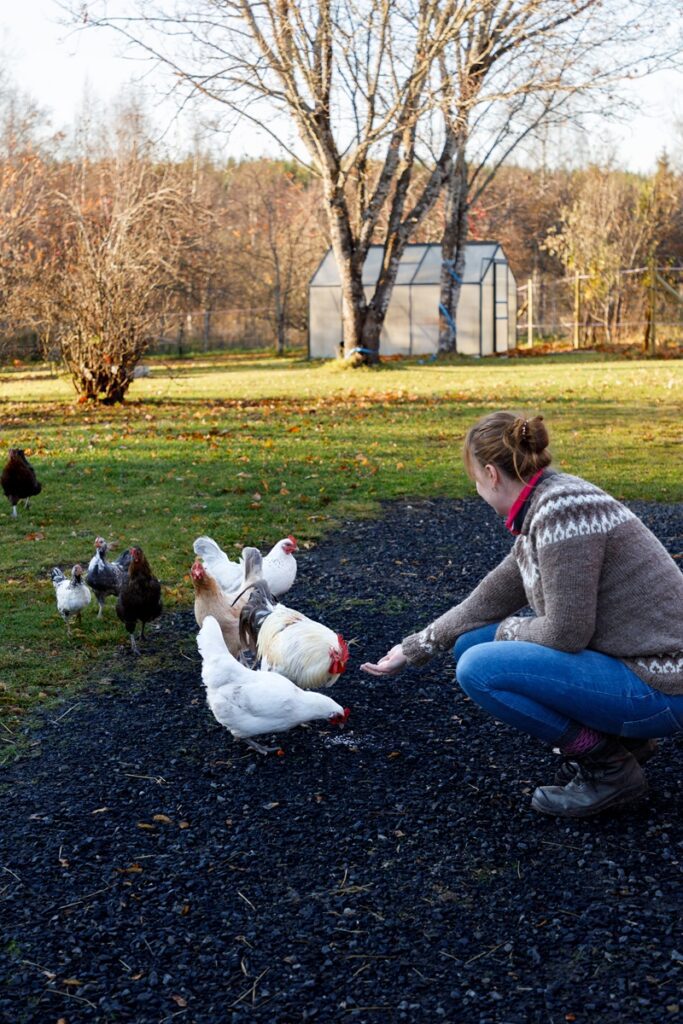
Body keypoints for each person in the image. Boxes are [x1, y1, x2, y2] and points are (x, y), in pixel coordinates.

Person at [361, 411, 683, 818]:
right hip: (642, 666)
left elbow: (567, 633)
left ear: (492, 475)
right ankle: (630, 742)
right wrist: (416, 647)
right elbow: (488, 599)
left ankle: (610, 769)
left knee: (480, 667)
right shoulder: (548, 503)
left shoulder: (560, 514)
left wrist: (511, 630)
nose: (477, 489)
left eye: (475, 479)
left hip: (665, 683)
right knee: (470, 642)